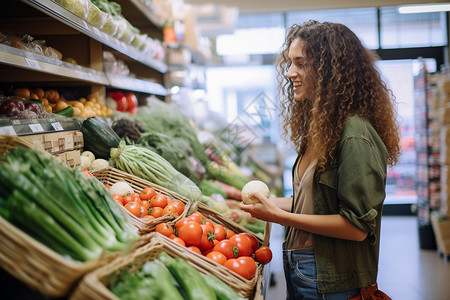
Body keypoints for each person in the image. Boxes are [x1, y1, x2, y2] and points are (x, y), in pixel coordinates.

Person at [240, 20, 401, 300]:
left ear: (329, 71)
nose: (289, 73)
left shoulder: (355, 136)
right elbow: (316, 204)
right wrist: (258, 207)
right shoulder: (322, 130)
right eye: (289, 63)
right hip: (303, 269)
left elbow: (356, 227)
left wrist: (279, 217)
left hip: (331, 281)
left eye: (300, 63)